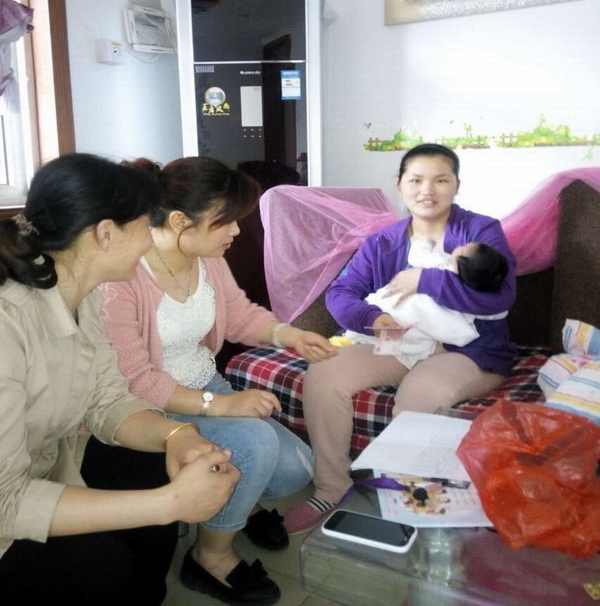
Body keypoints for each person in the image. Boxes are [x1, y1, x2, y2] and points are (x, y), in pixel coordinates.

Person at [0, 153, 238, 606]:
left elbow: (108, 399)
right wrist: (170, 504)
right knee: (98, 566)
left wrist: (178, 436)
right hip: (6, 509)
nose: (151, 240)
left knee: (150, 469)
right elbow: (5, 502)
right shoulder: (8, 325)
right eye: (145, 226)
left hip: (48, 462)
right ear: (105, 233)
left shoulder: (84, 297)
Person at [101, 156, 337, 605]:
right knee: (256, 444)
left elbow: (240, 315)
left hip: (204, 381)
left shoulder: (206, 258)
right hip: (151, 406)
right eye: (224, 221)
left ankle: (235, 499)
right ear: (178, 221)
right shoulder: (125, 275)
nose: (236, 232)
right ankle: (209, 556)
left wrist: (290, 335)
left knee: (295, 468)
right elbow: (134, 379)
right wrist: (220, 405)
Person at [283, 143, 516, 534]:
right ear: (400, 185)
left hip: (465, 349)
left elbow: (500, 296)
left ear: (457, 185)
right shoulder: (383, 241)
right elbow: (341, 293)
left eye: (441, 180)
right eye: (416, 180)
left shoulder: (480, 231)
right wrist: (374, 319)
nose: (428, 190)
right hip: (400, 341)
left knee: (420, 393)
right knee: (324, 374)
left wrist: (425, 279)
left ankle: (417, 502)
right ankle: (331, 487)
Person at [343, 240, 510, 368]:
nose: (460, 245)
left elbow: (417, 256)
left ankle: (371, 339)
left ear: (460, 264)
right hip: (435, 328)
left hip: (408, 310)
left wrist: (423, 240)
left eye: (464, 247)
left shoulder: (442, 265)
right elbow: (495, 313)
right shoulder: (476, 291)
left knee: (396, 308)